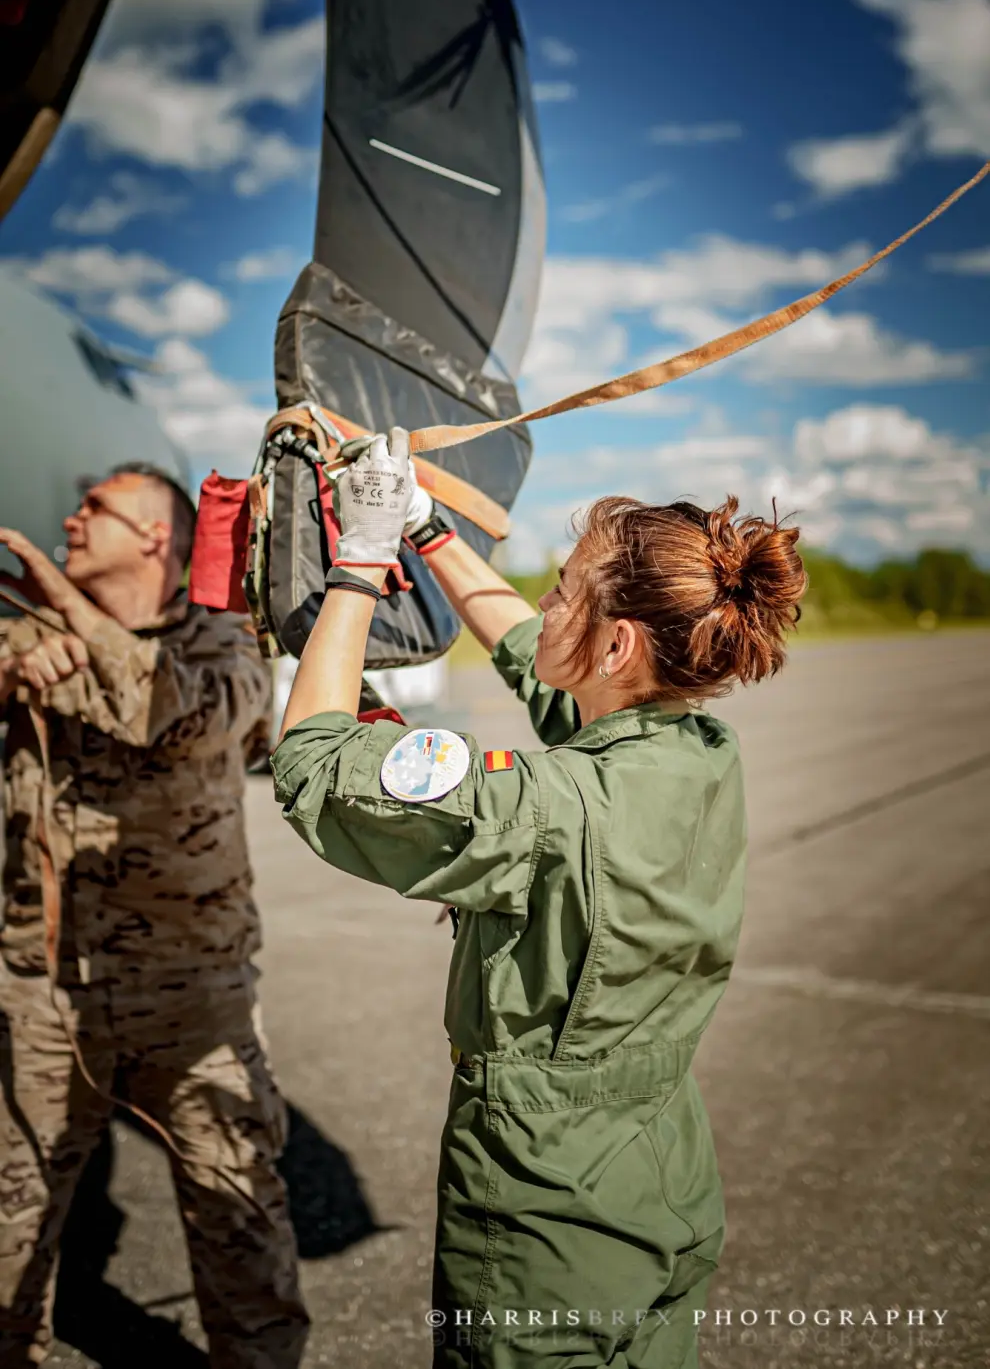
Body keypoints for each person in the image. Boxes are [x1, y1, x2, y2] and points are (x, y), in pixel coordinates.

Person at [271, 430, 807, 1369]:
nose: (544, 603)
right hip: (660, 1183)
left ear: (616, 644)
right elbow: (534, 656)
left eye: (562, 590)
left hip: (542, 1220)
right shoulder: (698, 755)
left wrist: (357, 566)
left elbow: (312, 765)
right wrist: (427, 529)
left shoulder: (544, 808)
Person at [0, 465, 309, 1368]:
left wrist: (75, 620)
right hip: (43, 995)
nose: (70, 515)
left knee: (240, 1233)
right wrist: (14, 665)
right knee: (9, 1244)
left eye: (94, 507)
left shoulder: (228, 645)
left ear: (154, 537)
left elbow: (172, 710)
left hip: (194, 1001)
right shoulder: (31, 637)